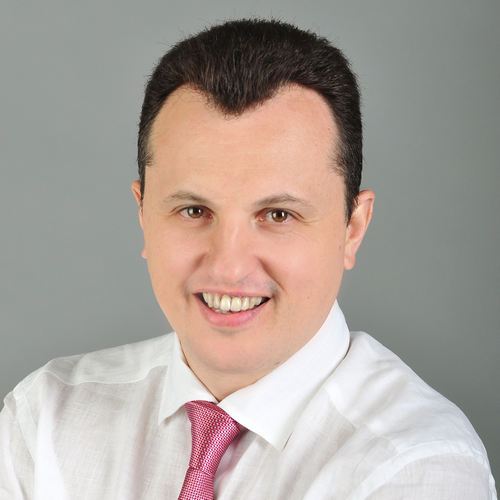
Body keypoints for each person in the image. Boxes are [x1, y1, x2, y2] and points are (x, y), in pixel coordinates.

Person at [0, 18, 496, 500]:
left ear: (353, 229)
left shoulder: (417, 467)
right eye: (194, 210)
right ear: (144, 215)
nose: (229, 266)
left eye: (278, 215)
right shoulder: (44, 421)